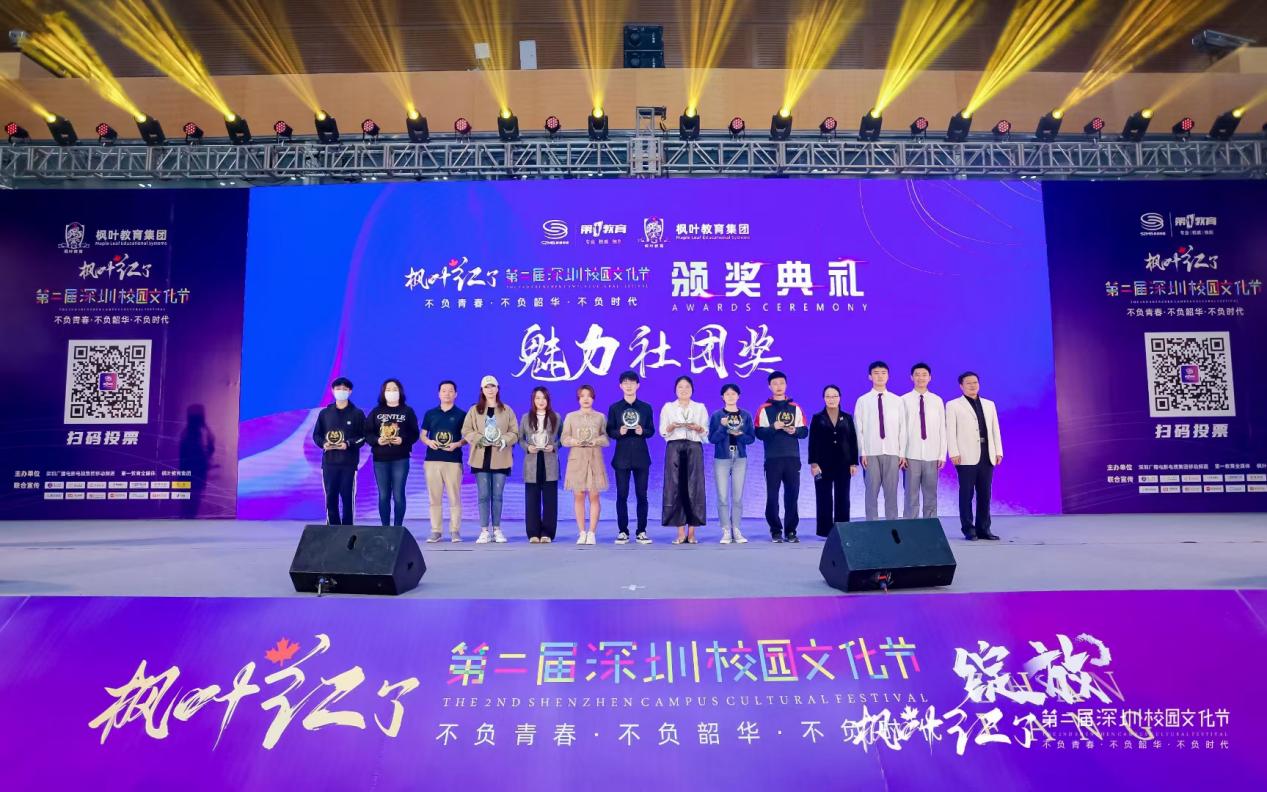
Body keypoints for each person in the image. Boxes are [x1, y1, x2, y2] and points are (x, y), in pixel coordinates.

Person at [461, 375, 518, 544]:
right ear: (482, 390)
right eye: (487, 387)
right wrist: (479, 438)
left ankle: (497, 529)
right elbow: (466, 430)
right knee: (483, 495)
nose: (490, 389)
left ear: (498, 389)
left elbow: (515, 432)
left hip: (501, 458)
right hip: (481, 459)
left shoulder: (507, 410)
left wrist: (503, 440)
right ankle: (484, 530)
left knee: (498, 495)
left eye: (493, 386)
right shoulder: (474, 410)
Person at [946, 371, 1003, 541]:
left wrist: (998, 451)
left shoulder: (989, 404)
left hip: (987, 453)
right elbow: (951, 431)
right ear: (961, 386)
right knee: (966, 494)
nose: (973, 385)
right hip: (965, 455)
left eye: (975, 382)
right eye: (969, 383)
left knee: (985, 493)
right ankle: (968, 529)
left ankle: (984, 529)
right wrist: (954, 452)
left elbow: (995, 429)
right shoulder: (953, 405)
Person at [754, 371, 808, 543]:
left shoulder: (795, 407)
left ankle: (791, 531)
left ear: (786, 385)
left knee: (792, 495)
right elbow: (759, 433)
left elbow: (804, 431)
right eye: (775, 383)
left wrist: (795, 431)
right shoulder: (764, 409)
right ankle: (776, 530)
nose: (779, 386)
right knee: (772, 496)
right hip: (772, 459)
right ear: (769, 386)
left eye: (781, 383)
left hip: (792, 458)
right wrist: (773, 427)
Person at [606, 370, 654, 544]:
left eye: (632, 382)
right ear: (620, 386)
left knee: (642, 495)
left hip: (641, 457)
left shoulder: (646, 408)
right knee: (622, 495)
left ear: (637, 385)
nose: (628, 385)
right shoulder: (615, 408)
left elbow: (651, 430)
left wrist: (643, 431)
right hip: (622, 458)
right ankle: (623, 531)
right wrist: (619, 432)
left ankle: (641, 531)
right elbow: (609, 431)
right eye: (625, 382)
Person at [853, 361, 906, 521]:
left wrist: (902, 453)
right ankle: (872, 525)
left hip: (892, 451)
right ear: (870, 376)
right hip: (871, 452)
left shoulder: (897, 401)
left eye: (883, 373)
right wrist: (862, 452)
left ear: (888, 376)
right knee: (871, 492)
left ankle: (892, 525)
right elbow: (858, 429)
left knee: (892, 493)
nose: (880, 376)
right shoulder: (863, 401)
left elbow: (902, 428)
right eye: (876, 373)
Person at [659, 375, 708, 544]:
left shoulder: (700, 407)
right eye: (680, 387)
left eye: (687, 387)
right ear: (675, 390)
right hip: (674, 447)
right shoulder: (668, 407)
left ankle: (692, 533)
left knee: (695, 488)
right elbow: (663, 431)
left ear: (692, 389)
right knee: (675, 487)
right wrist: (671, 427)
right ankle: (680, 532)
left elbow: (705, 432)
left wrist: (698, 428)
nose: (684, 390)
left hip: (694, 447)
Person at [365, 378, 420, 527]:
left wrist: (403, 440)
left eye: (394, 389)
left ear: (400, 392)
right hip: (380, 459)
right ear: (383, 393)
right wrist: (377, 440)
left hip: (401, 459)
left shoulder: (407, 411)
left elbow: (415, 433)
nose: (391, 392)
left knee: (398, 494)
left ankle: (397, 527)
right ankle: (385, 527)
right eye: (388, 390)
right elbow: (367, 433)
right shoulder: (376, 412)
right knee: (383, 495)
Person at [311, 376, 365, 525]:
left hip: (349, 464)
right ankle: (333, 527)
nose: (341, 391)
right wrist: (324, 444)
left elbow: (363, 437)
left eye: (344, 389)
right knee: (330, 497)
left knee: (347, 498)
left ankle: (348, 528)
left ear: (350, 391)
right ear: (332, 391)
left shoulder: (357, 413)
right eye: (338, 388)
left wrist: (348, 444)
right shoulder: (325, 413)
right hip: (329, 463)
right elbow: (316, 435)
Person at [561, 384, 610, 545]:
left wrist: (596, 441)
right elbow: (564, 439)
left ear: (593, 398)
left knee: (594, 495)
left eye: (589, 396)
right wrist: (574, 441)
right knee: (579, 495)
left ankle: (592, 532)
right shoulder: (570, 417)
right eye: (582, 396)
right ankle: (582, 532)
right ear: (578, 399)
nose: (586, 399)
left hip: (595, 459)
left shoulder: (600, 417)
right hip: (577, 459)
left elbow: (606, 438)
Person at [808, 385, 858, 537]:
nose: (831, 399)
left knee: (843, 497)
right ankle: (825, 531)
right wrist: (814, 464)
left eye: (834, 396)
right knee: (823, 497)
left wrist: (853, 463)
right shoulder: (817, 418)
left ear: (839, 398)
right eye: (828, 396)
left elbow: (853, 440)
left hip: (844, 463)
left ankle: (842, 530)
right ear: (824, 398)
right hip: (822, 464)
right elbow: (812, 442)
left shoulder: (847, 417)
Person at [708, 383, 755, 544]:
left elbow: (751, 439)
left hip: (740, 458)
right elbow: (712, 439)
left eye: (733, 394)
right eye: (727, 394)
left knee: (737, 497)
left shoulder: (746, 415)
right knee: (722, 496)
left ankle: (736, 528)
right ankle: (726, 530)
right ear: (722, 397)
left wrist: (739, 434)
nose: (730, 396)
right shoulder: (717, 416)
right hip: (722, 458)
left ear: (738, 396)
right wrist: (722, 427)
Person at [421, 380, 467, 542]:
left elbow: (467, 437)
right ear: (438, 394)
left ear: (456, 394)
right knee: (434, 498)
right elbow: (423, 435)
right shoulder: (430, 414)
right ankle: (436, 531)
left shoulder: (461, 415)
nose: (447, 393)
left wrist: (457, 444)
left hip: (453, 461)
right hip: (432, 461)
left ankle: (455, 531)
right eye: (444, 390)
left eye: (450, 391)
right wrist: (428, 442)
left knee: (454, 497)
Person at [901, 363, 947, 519]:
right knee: (910, 495)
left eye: (924, 375)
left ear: (930, 378)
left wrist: (942, 455)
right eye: (917, 374)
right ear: (911, 377)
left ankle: (930, 525)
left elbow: (942, 429)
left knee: (931, 494)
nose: (921, 378)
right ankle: (910, 526)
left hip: (932, 455)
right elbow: (900, 430)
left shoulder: (937, 400)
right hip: (910, 454)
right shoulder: (903, 400)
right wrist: (901, 454)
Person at [520, 386, 561, 544]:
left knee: (550, 500)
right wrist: (527, 447)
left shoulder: (556, 417)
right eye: (537, 398)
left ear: (548, 400)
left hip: (550, 462)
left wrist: (554, 446)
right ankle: (533, 533)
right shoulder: (526, 418)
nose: (541, 401)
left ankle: (547, 533)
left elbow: (563, 438)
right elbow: (520, 438)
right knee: (532, 499)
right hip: (532, 462)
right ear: (533, 400)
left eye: (543, 397)